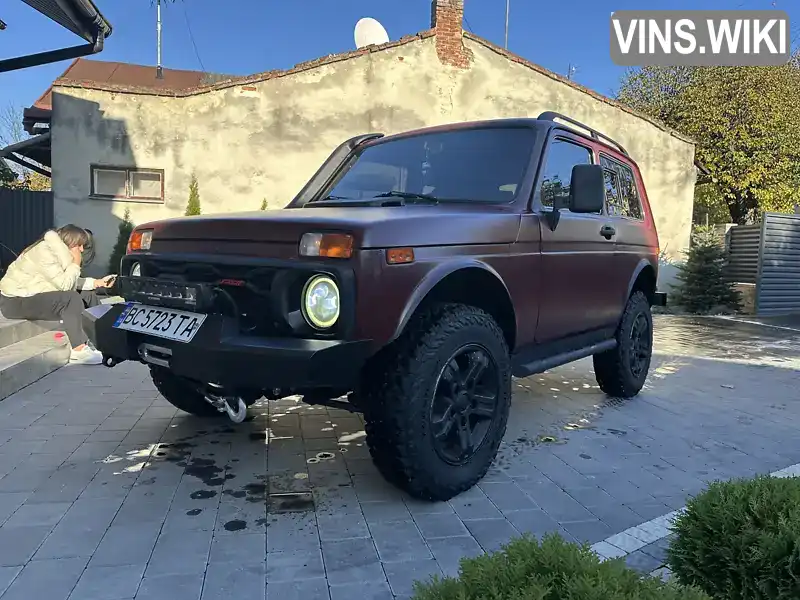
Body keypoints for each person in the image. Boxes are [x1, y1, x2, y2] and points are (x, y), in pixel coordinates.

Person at [0, 224, 117, 365]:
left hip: (32, 295)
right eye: (79, 245)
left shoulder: (57, 252)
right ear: (70, 242)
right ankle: (79, 351)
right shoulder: (44, 253)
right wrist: (75, 264)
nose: (81, 249)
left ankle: (102, 339)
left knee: (87, 295)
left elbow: (66, 280)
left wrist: (98, 283)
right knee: (70, 299)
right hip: (15, 302)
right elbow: (64, 285)